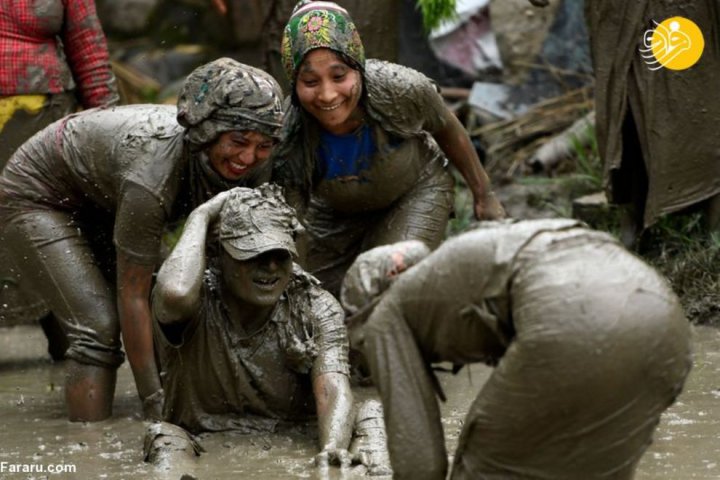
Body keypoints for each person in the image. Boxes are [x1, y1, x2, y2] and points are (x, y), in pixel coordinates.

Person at [0, 57, 284, 422]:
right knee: (97, 327)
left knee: (170, 298)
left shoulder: (253, 164)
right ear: (207, 132)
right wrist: (154, 404)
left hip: (102, 197)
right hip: (37, 196)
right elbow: (132, 295)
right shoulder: (153, 173)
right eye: (239, 141)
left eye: (263, 146)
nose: (249, 158)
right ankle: (88, 450)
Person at [343, 219, 692, 479]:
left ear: (369, 305)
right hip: (663, 317)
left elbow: (422, 466)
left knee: (482, 469)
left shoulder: (386, 312)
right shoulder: (468, 259)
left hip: (571, 316)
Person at [149, 185, 390, 474]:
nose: (271, 267)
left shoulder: (314, 306)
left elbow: (333, 387)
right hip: (200, 440)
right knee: (163, 437)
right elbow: (174, 294)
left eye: (281, 254)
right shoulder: (194, 300)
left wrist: (332, 450)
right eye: (254, 254)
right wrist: (201, 216)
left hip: (295, 436)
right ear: (218, 254)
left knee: (372, 415)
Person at [271, 0, 505, 294]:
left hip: (413, 193)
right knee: (315, 298)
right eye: (310, 81)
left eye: (339, 76)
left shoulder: (399, 88)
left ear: (357, 65)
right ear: (294, 82)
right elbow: (291, 220)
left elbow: (447, 127)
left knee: (385, 286)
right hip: (335, 213)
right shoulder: (289, 134)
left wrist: (484, 194)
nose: (327, 94)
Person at [530, 0, 720, 246]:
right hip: (616, 16)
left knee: (693, 104)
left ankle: (712, 224)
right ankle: (634, 220)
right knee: (623, 110)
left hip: (681, 10)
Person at [0, 0, 119, 340]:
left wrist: (108, 123)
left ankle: (74, 334)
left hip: (41, 116)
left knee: (48, 224)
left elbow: (87, 45)